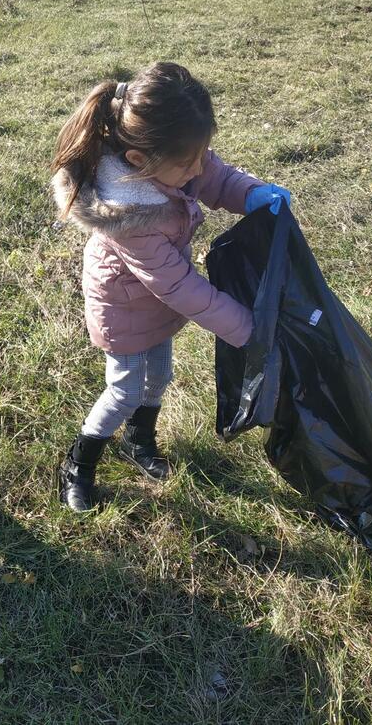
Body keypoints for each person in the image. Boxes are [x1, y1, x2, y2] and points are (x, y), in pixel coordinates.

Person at [51, 61, 291, 512]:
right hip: (123, 308)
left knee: (159, 376)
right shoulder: (129, 218)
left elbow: (215, 176)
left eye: (202, 153)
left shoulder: (171, 158)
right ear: (140, 161)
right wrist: (246, 327)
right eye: (189, 162)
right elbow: (179, 286)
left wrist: (253, 192)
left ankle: (139, 440)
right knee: (124, 389)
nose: (198, 167)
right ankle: (80, 462)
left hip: (154, 302)